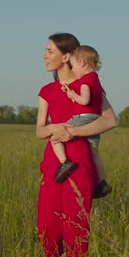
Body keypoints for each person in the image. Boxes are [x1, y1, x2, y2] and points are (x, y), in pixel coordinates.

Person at [36, 33, 118, 257]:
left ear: (67, 56)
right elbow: (39, 131)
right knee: (46, 227)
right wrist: (55, 128)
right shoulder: (47, 90)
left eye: (50, 51)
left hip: (80, 161)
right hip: (54, 162)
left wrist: (71, 132)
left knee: (76, 229)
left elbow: (110, 120)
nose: (44, 55)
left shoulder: (88, 85)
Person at [52, 45, 113, 198]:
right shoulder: (96, 80)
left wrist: (73, 95)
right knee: (94, 153)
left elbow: (84, 100)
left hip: (83, 118)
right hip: (95, 119)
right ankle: (102, 183)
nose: (72, 70)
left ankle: (64, 162)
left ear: (82, 63)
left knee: (55, 138)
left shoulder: (86, 80)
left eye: (73, 66)